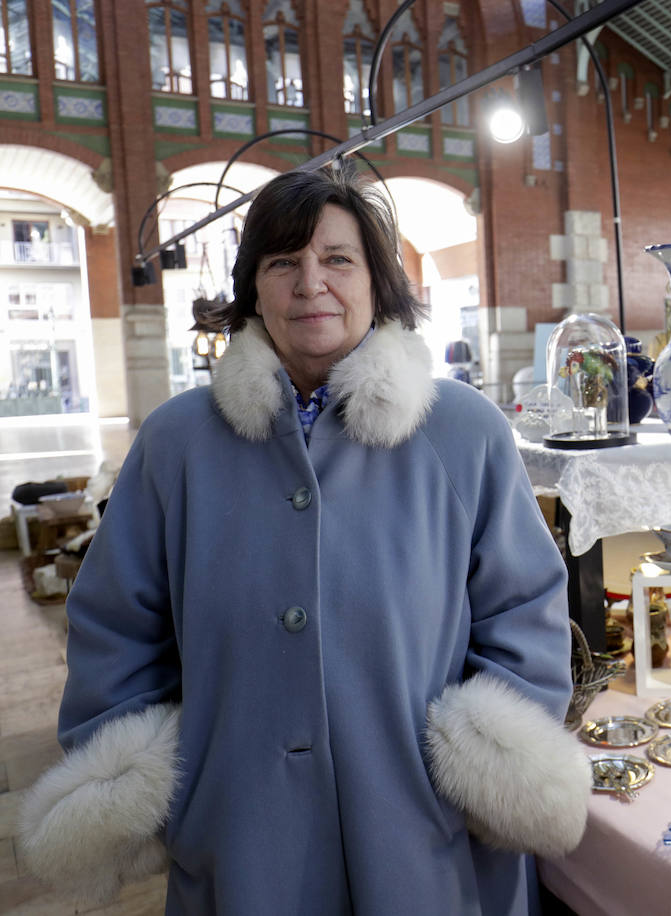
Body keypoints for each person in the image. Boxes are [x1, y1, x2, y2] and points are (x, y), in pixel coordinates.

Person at [19, 164, 588, 915]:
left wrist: (480, 773)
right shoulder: (175, 444)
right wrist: (175, 791)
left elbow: (525, 613)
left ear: (378, 283)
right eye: (283, 261)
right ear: (252, 289)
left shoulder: (463, 432)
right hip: (240, 841)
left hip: (429, 840)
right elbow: (115, 631)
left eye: (337, 259)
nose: (309, 282)